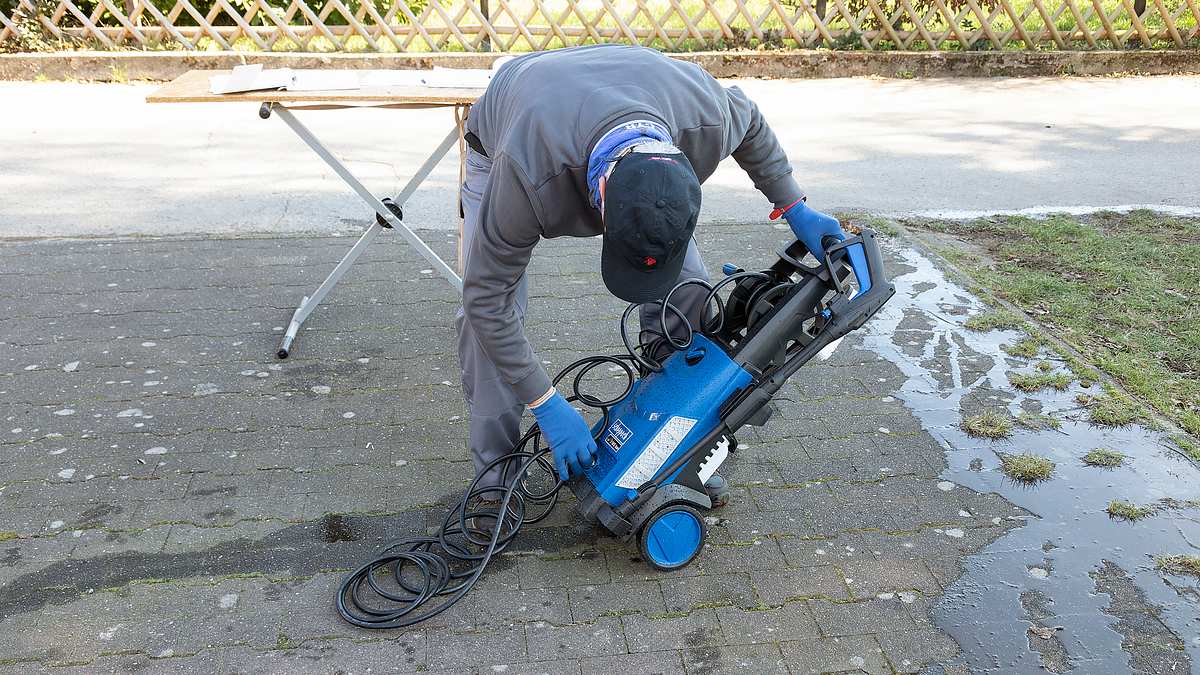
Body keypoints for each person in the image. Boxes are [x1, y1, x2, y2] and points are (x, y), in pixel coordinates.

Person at [457, 44, 844, 504]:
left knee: (691, 296)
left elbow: (753, 123)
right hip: (512, 126)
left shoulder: (705, 118)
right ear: (597, 197)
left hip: (624, 91)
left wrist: (795, 207)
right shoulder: (525, 177)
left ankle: (674, 450)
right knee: (488, 326)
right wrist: (547, 404)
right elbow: (487, 301)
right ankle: (493, 482)